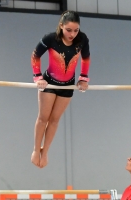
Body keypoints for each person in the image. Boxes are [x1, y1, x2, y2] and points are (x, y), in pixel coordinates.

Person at [30, 10, 91, 168]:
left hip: (68, 85)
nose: (72, 34)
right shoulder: (51, 39)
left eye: (76, 30)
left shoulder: (82, 39)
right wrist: (38, 77)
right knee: (43, 118)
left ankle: (46, 151)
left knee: (55, 120)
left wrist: (83, 78)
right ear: (61, 26)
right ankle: (36, 150)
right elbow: (35, 56)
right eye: (69, 30)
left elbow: (85, 58)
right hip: (49, 83)